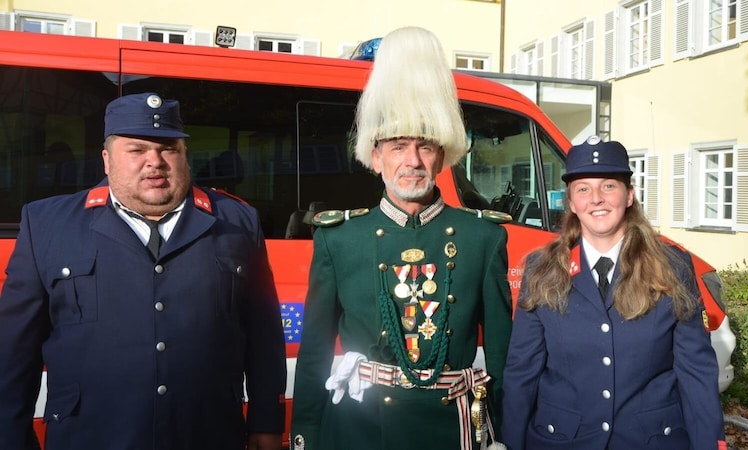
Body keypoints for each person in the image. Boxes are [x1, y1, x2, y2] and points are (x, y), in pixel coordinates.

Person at [0, 92, 286, 450]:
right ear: (107, 159)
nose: (155, 161)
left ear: (185, 156)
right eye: (136, 150)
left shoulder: (236, 221)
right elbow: (13, 352)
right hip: (90, 437)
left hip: (206, 433)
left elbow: (263, 336)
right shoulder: (46, 224)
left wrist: (266, 423)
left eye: (169, 149)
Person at [290, 27, 512, 450]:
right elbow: (315, 350)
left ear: (442, 154)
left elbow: (502, 359)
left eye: (425, 147)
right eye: (396, 146)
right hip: (360, 429)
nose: (412, 161)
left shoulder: (483, 238)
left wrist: (507, 432)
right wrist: (306, 433)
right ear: (375, 157)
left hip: (450, 429)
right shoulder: (340, 238)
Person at [501, 136, 727, 450]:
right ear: (571, 203)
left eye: (609, 186)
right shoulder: (542, 268)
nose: (596, 199)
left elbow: (696, 373)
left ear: (629, 195)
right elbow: (522, 371)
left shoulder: (672, 267)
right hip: (562, 440)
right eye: (583, 189)